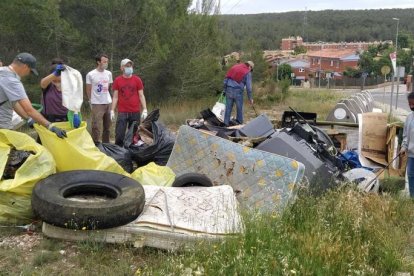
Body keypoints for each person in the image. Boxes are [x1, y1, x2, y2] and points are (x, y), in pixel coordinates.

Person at [0, 53, 66, 138]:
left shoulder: (2, 72)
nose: (28, 74)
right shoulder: (12, 81)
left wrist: (28, 118)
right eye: (30, 71)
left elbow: (13, 103)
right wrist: (50, 126)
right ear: (25, 67)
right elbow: (29, 110)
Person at [111, 58, 147, 146]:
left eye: (130, 66)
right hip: (122, 112)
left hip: (135, 111)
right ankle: (119, 152)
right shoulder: (117, 80)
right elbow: (115, 97)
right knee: (119, 135)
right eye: (126, 66)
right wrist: (112, 110)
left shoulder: (137, 80)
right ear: (122, 68)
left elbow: (141, 95)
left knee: (134, 136)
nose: (129, 67)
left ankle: (131, 152)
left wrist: (145, 109)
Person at [86, 54, 113, 144]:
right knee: (96, 126)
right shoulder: (91, 74)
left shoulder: (108, 73)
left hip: (107, 102)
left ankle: (106, 144)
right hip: (97, 103)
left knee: (107, 126)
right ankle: (96, 144)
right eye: (104, 61)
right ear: (98, 62)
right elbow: (88, 89)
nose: (106, 63)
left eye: (107, 61)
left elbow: (108, 87)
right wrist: (90, 101)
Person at [223, 60, 254, 126]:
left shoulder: (234, 67)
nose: (250, 71)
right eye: (251, 69)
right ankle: (239, 124)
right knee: (239, 108)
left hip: (229, 89)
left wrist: (224, 90)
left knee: (228, 108)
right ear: (250, 67)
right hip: (238, 91)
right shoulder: (247, 72)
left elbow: (226, 79)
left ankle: (226, 124)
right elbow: (249, 87)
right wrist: (250, 98)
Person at [40, 58, 68, 122]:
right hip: (49, 119)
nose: (57, 83)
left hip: (66, 119)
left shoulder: (68, 86)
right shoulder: (48, 85)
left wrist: (75, 113)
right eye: (54, 80)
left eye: (59, 81)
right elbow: (42, 83)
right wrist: (55, 74)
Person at [401, 91, 414, 197]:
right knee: (410, 175)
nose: (411, 106)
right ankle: (412, 198)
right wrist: (403, 146)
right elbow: (405, 135)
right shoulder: (409, 117)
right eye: (409, 104)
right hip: (411, 154)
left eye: (413, 103)